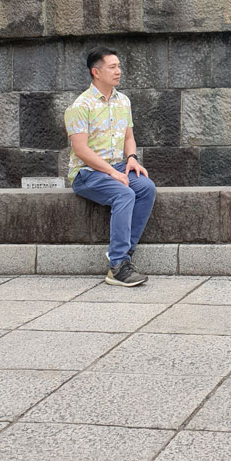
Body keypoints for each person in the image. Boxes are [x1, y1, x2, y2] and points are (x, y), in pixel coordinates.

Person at [64, 46, 156, 287]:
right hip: (87, 173)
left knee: (146, 188)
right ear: (96, 72)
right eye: (112, 67)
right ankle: (117, 267)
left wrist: (133, 158)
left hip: (117, 166)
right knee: (124, 193)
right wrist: (113, 172)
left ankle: (124, 257)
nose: (118, 71)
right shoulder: (80, 106)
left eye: (119, 66)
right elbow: (81, 150)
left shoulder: (123, 101)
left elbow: (128, 137)